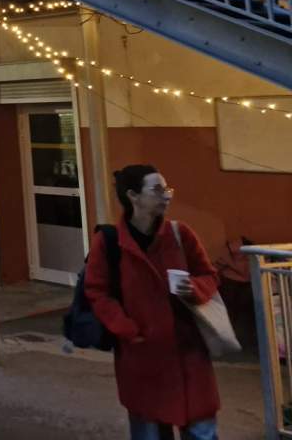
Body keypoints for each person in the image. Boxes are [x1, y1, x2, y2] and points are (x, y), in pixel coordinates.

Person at [85, 164, 221, 440]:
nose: (166, 196)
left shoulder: (180, 235)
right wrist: (126, 329)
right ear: (133, 196)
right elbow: (97, 292)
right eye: (157, 190)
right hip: (142, 357)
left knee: (202, 431)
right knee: (149, 432)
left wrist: (194, 288)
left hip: (188, 354)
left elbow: (209, 275)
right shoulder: (109, 242)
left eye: (167, 189)